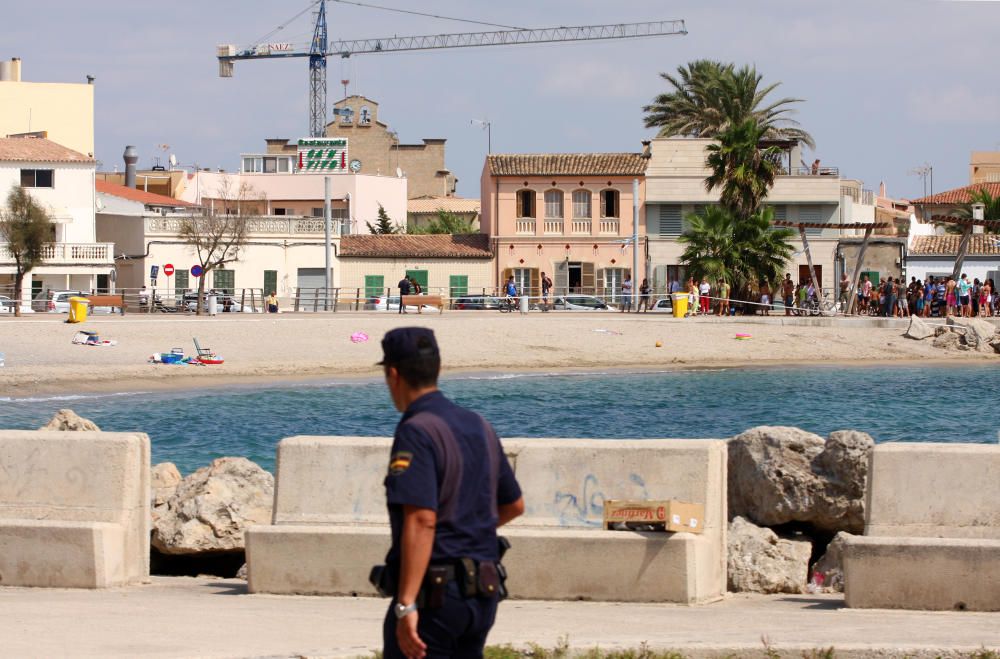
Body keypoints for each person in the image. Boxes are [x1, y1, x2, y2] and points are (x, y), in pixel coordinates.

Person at [376, 328, 524, 658]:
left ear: (394, 375)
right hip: (483, 592)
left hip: (435, 597)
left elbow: (422, 520)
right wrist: (466, 530)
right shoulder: (478, 424)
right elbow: (513, 504)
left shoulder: (417, 430)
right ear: (437, 369)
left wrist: (406, 604)